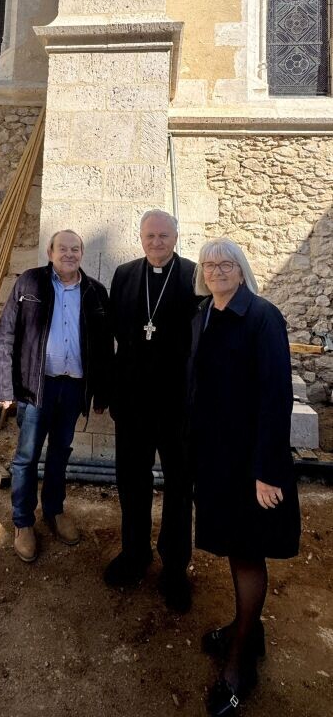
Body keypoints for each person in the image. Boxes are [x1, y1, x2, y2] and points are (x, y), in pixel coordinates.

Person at [189, 237, 301, 716]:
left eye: (225, 263)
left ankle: (239, 664)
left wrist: (267, 472)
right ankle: (246, 630)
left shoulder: (261, 317)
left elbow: (276, 398)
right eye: (209, 264)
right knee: (234, 547)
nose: (216, 270)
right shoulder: (203, 315)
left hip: (252, 466)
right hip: (216, 461)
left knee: (248, 553)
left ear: (241, 269)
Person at [0, 229, 112, 563]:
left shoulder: (95, 292)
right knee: (27, 456)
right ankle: (23, 521)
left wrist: (101, 392)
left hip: (73, 389)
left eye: (75, 249)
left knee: (60, 453)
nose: (69, 254)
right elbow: (5, 335)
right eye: (63, 248)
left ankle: (54, 512)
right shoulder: (29, 283)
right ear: (50, 251)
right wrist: (3, 389)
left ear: (81, 253)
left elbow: (103, 349)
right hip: (35, 386)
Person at [104, 209, 198, 613]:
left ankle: (176, 568)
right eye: (149, 236)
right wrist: (109, 393)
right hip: (133, 405)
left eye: (163, 236)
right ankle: (134, 554)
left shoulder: (195, 277)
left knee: (179, 488)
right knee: (132, 482)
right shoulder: (124, 275)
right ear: (140, 238)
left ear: (176, 238)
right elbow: (113, 338)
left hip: (178, 408)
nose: (156, 243)